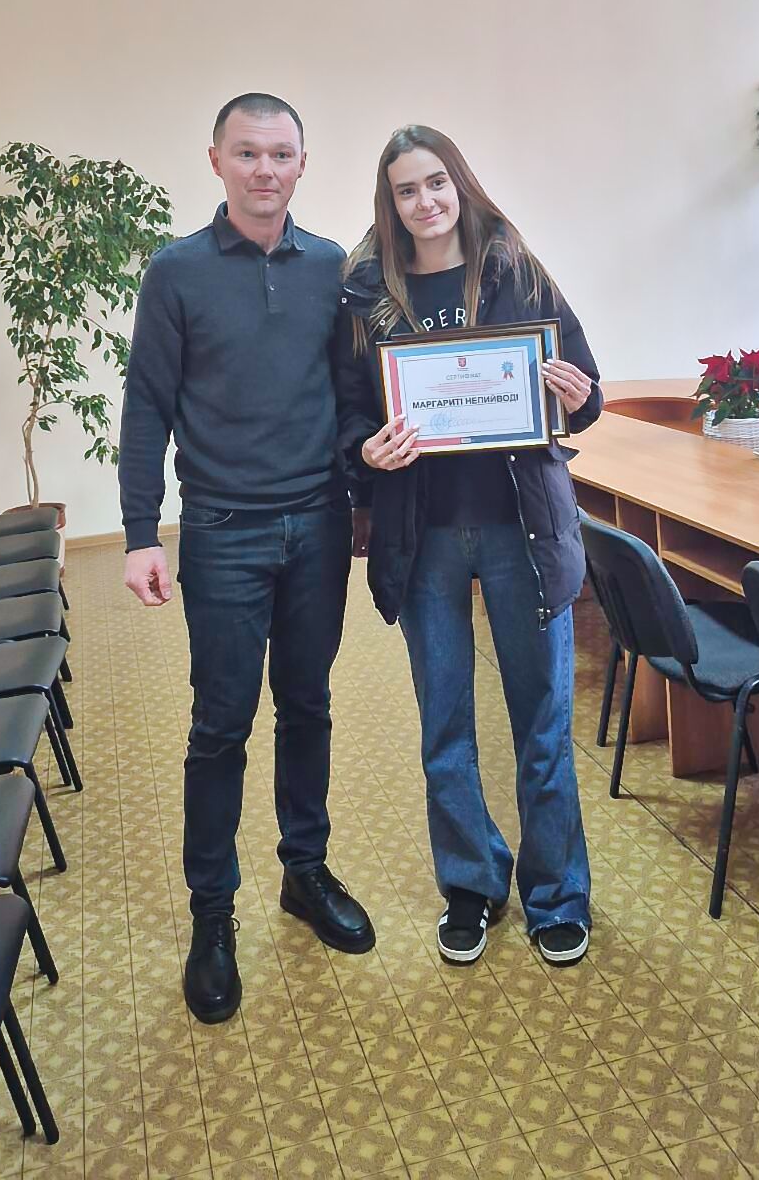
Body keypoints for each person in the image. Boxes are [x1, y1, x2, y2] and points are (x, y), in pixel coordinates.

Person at [119, 92, 374, 1027]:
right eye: (248, 153)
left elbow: (350, 394)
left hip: (317, 526)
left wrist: (363, 492)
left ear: (303, 164)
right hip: (223, 531)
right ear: (216, 160)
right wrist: (139, 532)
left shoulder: (333, 269)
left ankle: (304, 872)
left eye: (281, 154)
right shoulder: (176, 271)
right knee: (220, 725)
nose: (265, 169)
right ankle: (212, 914)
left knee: (308, 705)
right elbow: (147, 407)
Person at [335, 125, 601, 967]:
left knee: (542, 718)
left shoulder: (515, 267)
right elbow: (348, 413)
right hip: (423, 537)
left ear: (460, 183)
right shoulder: (367, 293)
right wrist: (366, 450)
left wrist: (577, 394)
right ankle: (472, 883)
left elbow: (587, 390)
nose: (426, 202)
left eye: (437, 183)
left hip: (523, 528)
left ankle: (557, 894)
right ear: (390, 202)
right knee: (444, 720)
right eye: (407, 190)